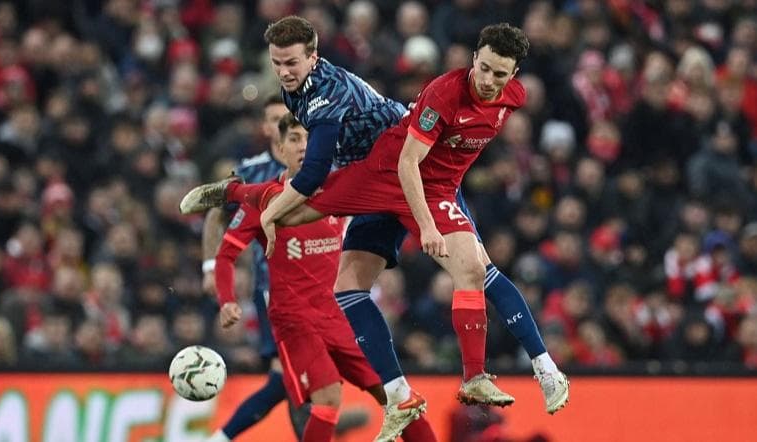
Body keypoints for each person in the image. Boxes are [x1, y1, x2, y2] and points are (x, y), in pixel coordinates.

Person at [180, 17, 568, 439]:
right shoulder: (427, 94)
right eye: (277, 63)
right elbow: (347, 171)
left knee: (475, 268)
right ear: (474, 59)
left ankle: (533, 369)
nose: (490, 80)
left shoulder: (511, 97)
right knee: (339, 280)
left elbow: (336, 169)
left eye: (500, 73)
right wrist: (233, 265)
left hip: (420, 181)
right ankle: (233, 191)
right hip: (382, 173)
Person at [211, 113, 437, 442]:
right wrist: (227, 300)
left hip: (341, 317)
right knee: (329, 398)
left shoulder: (338, 188)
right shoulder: (264, 200)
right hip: (295, 321)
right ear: (280, 148)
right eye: (294, 139)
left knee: (397, 396)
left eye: (309, 139)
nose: (303, 146)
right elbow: (226, 255)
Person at [203, 95, 310, 441]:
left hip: (322, 291)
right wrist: (211, 268)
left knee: (300, 381)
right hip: (276, 293)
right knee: (292, 378)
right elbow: (215, 216)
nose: (283, 127)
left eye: (289, 120)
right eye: (276, 120)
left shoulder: (322, 167)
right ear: (266, 128)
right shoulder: (251, 173)